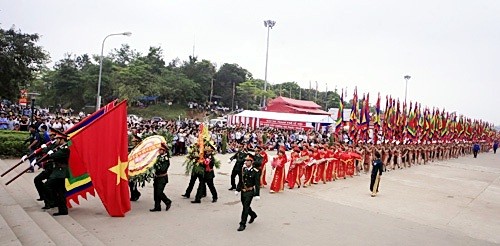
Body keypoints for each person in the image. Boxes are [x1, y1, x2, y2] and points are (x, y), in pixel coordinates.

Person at [41, 130, 70, 216]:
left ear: (62, 139)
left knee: (48, 186)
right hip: (58, 171)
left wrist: (50, 153)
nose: (56, 140)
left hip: (60, 171)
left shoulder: (64, 149)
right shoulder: (60, 147)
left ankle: (53, 202)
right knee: (60, 191)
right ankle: (62, 210)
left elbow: (54, 155)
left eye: (58, 139)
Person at [235, 155, 260, 232]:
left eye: (248, 161)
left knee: (245, 207)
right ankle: (253, 215)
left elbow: (257, 184)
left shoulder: (255, 171)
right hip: (243, 191)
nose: (246, 162)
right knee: (245, 206)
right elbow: (241, 180)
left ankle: (242, 224)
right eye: (246, 160)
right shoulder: (244, 169)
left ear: (252, 162)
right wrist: (237, 189)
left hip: (250, 191)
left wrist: (257, 194)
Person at [150, 143, 172, 212]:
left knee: (159, 192)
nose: (159, 151)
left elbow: (162, 169)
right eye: (159, 150)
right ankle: (157, 207)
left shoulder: (166, 159)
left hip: (162, 178)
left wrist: (155, 167)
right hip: (157, 178)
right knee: (155, 193)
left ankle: (167, 201)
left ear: (164, 151)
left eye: (160, 150)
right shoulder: (158, 157)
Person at [129, 135, 142, 201]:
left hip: (135, 168)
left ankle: (135, 195)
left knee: (132, 183)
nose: (133, 142)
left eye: (135, 141)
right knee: (130, 183)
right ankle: (135, 194)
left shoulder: (138, 149)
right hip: (130, 167)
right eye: (133, 141)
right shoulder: (131, 148)